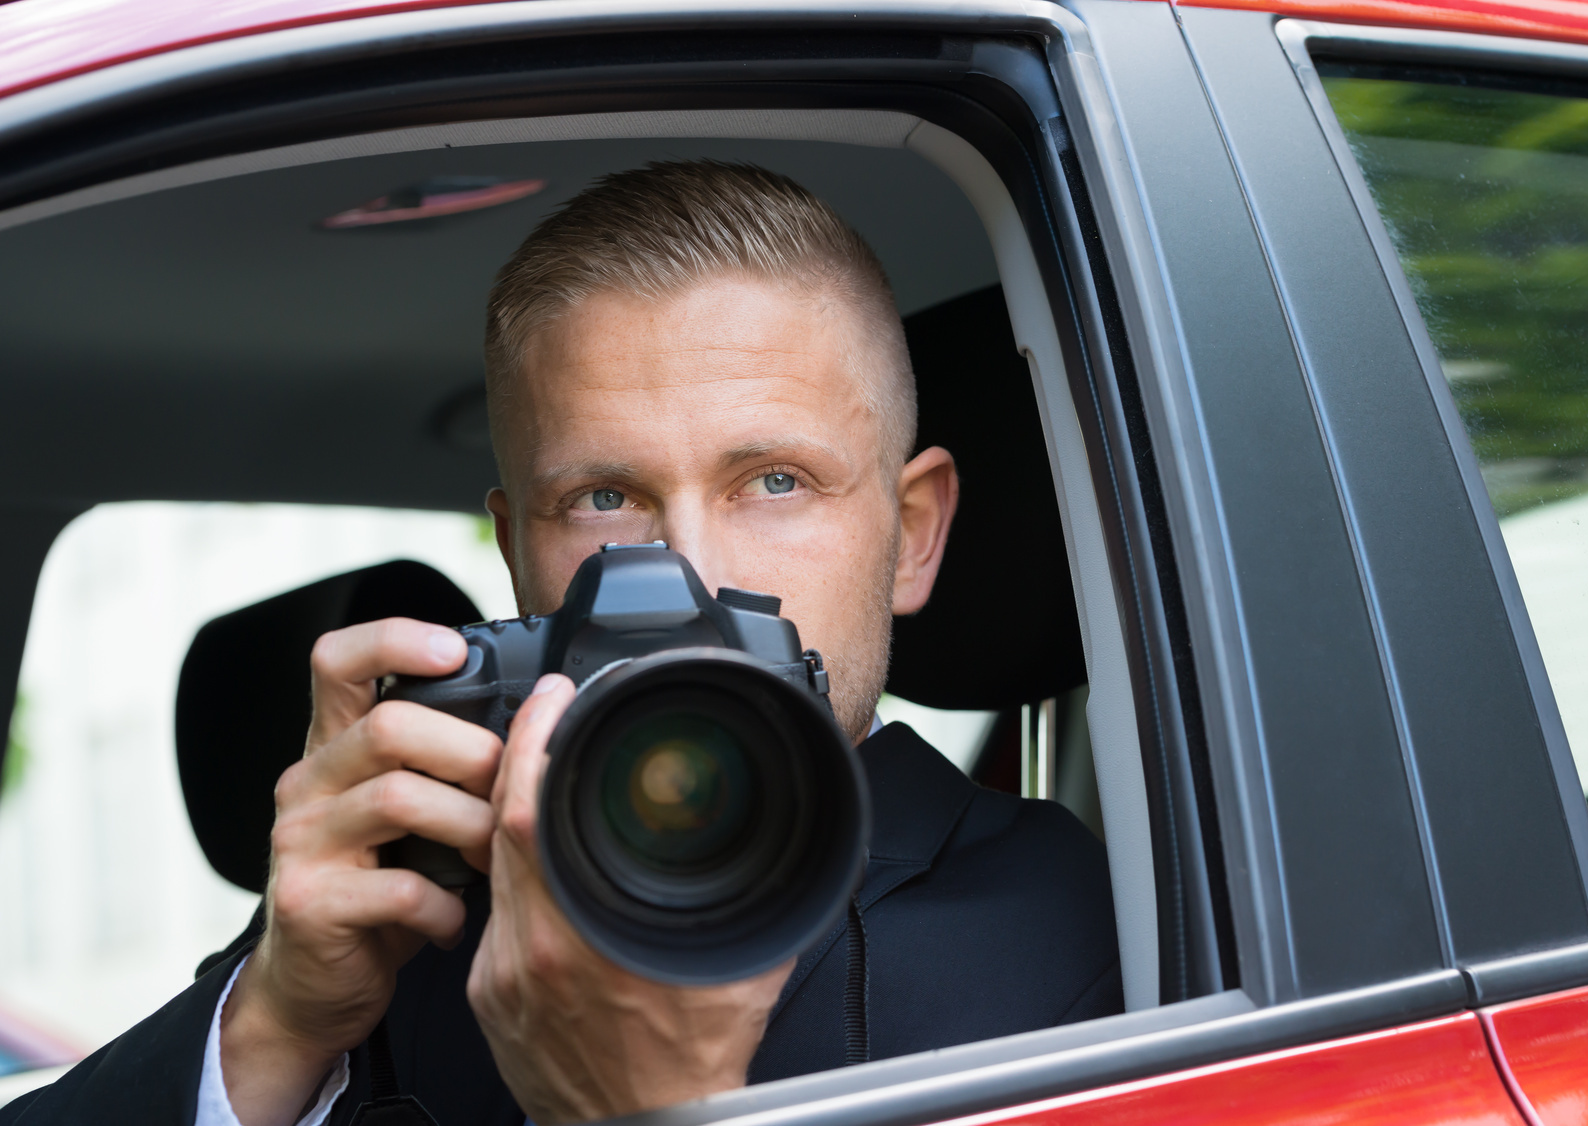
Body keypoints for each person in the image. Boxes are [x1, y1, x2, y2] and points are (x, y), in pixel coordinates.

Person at [1, 160, 1120, 1126]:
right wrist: (270, 1030)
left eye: (774, 480)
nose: (685, 565)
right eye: (600, 496)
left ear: (911, 536)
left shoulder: (1075, 933)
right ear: (516, 553)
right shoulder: (409, 894)